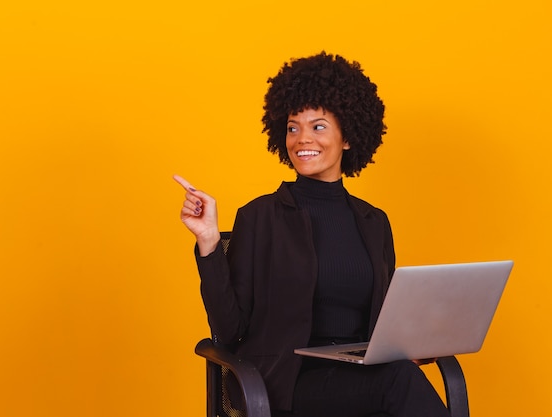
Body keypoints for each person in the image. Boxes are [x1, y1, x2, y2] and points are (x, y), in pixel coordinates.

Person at [174, 52, 449, 417]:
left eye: (318, 126)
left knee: (399, 376)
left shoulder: (374, 222)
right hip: (288, 382)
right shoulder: (259, 217)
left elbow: (384, 319)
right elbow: (228, 330)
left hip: (361, 375)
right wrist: (208, 242)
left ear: (348, 137)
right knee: (399, 382)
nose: (302, 138)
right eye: (293, 127)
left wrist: (412, 345)